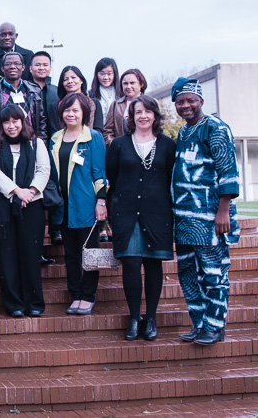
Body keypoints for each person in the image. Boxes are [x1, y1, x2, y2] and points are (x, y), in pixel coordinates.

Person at [171, 78, 240, 346]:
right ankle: (199, 324)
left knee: (213, 272)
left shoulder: (216, 128)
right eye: (180, 101)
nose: (185, 105)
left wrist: (223, 211)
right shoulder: (184, 131)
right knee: (187, 273)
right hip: (185, 219)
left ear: (201, 101)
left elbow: (228, 172)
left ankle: (214, 325)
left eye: (190, 100)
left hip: (210, 218)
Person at [106, 95, 175, 341]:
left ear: (155, 115)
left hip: (157, 214)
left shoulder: (167, 145)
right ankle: (134, 318)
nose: (143, 116)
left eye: (147, 111)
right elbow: (111, 179)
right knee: (132, 263)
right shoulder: (119, 145)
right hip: (126, 213)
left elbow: (170, 179)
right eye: (138, 112)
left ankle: (152, 318)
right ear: (131, 117)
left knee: (153, 264)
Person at [49, 93, 107, 316]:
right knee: (71, 253)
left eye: (75, 110)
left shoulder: (93, 137)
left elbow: (100, 171)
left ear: (84, 113)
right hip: (63, 206)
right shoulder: (55, 138)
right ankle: (75, 294)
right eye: (66, 110)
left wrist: (101, 201)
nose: (70, 114)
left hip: (87, 204)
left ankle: (88, 295)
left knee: (90, 253)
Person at [0, 105, 50, 317]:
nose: (11, 126)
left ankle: (34, 303)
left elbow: (44, 169)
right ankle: (14, 304)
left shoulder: (36, 143)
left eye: (15, 121)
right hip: (4, 205)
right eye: (6, 122)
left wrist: (30, 192)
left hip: (32, 205)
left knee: (30, 255)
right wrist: (16, 191)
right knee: (7, 257)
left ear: (23, 122)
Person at [28, 50, 63, 253]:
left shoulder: (56, 91)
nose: (42, 67)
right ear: (30, 68)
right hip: (33, 144)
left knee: (56, 185)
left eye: (45, 64)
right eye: (38, 64)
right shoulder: (25, 89)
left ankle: (56, 228)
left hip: (55, 144)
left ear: (50, 67)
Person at [0, 52, 47, 142]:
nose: (12, 67)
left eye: (17, 63)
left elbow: (41, 122)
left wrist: (41, 144)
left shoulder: (34, 92)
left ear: (23, 67)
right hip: (2, 145)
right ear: (2, 68)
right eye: (8, 64)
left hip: (30, 144)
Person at [103, 68, 147, 145]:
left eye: (132, 83)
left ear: (141, 84)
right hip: (122, 151)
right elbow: (108, 131)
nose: (128, 86)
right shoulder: (116, 105)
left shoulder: (150, 104)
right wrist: (115, 145)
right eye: (125, 83)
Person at [57, 66, 103, 133]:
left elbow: (98, 129)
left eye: (73, 77)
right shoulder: (56, 106)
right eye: (65, 79)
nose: (70, 81)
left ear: (81, 80)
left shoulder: (94, 103)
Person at [89, 57, 122, 126]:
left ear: (114, 74)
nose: (106, 77)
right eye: (102, 74)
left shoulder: (122, 94)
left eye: (109, 74)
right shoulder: (90, 94)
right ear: (97, 74)